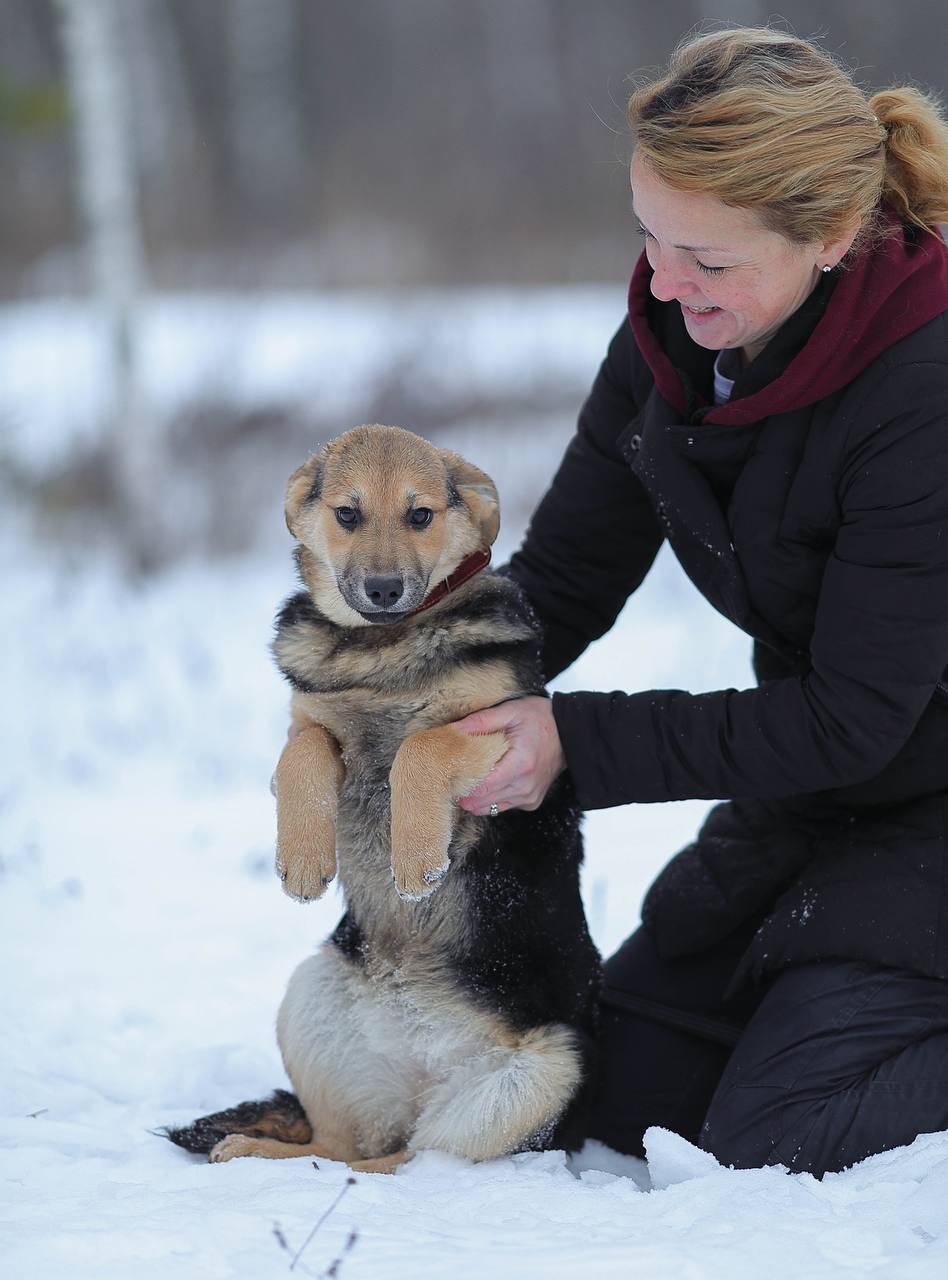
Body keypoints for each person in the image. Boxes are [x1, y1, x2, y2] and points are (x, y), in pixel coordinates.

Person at [453, 26, 948, 1177]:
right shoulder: (678, 336)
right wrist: (409, 688)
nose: (665, 286)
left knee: (778, 1135)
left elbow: (850, 713)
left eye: (709, 261)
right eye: (650, 238)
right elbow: (565, 577)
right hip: (828, 796)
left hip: (905, 786)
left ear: (829, 235)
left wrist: (571, 741)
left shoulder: (923, 390)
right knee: (606, 1092)